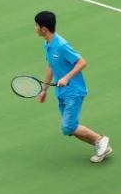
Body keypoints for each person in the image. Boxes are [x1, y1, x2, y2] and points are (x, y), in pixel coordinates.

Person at [34, 10, 112, 163]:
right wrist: (44, 90)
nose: (35, 28)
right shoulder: (47, 44)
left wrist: (66, 77)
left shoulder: (62, 45)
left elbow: (82, 62)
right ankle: (102, 146)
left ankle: (101, 140)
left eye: (36, 26)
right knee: (70, 128)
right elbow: (50, 66)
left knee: (68, 127)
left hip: (73, 91)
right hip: (62, 92)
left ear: (44, 29)